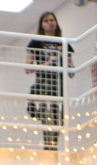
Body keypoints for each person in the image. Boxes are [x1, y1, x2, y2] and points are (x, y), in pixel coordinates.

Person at [25, 11, 71, 150]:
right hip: (44, 83)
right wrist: (47, 62)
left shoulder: (64, 43)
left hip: (59, 85)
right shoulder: (36, 42)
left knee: (58, 117)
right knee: (46, 115)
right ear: (41, 25)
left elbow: (71, 69)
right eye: (46, 21)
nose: (50, 23)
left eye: (52, 20)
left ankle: (54, 146)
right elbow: (27, 68)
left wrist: (63, 56)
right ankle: (48, 146)